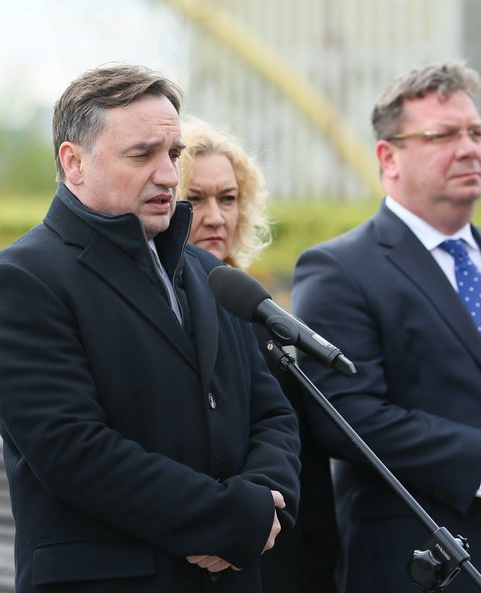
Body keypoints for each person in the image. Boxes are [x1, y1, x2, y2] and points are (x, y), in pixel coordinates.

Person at [0, 64, 301, 593]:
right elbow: (73, 450)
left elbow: (273, 412)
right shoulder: (24, 278)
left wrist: (264, 500)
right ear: (73, 162)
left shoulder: (208, 273)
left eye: (172, 155)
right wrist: (228, 519)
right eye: (142, 154)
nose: (170, 175)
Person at [290, 59, 481, 593]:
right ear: (387, 157)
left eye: (477, 133)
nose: (469, 149)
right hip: (429, 570)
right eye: (443, 135)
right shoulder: (339, 269)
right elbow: (348, 417)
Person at [175, 117, 339, 592]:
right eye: (195, 199)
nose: (215, 216)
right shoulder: (165, 317)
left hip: (284, 544)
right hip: (201, 548)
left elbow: (288, 431)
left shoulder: (261, 311)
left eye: (228, 198)